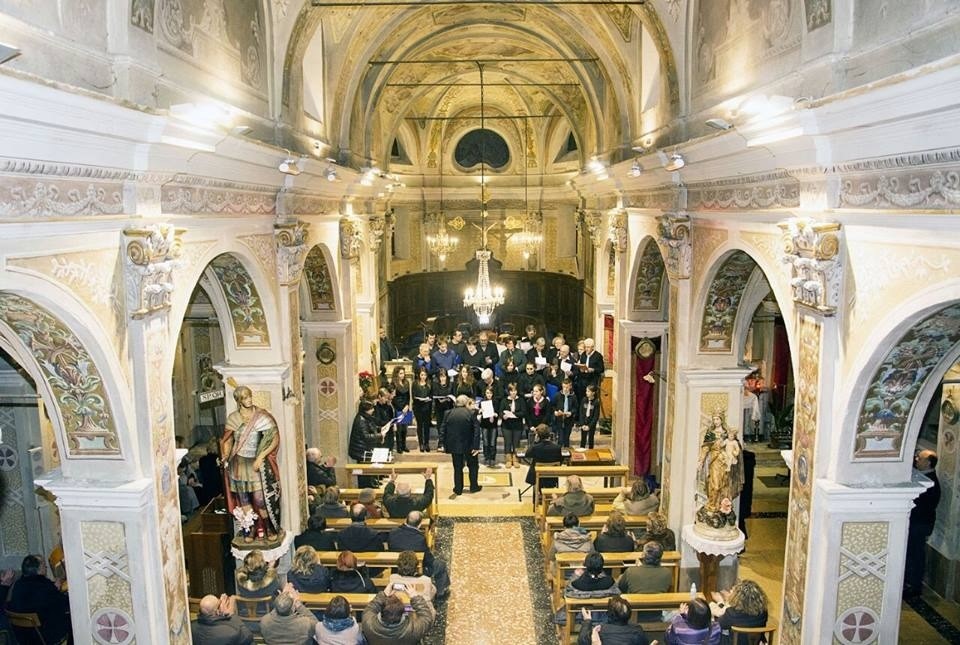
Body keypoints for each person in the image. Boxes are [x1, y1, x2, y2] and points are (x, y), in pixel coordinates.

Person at [221, 385, 282, 541]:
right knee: (244, 499)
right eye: (245, 398)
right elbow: (228, 440)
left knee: (260, 500)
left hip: (255, 464)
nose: (248, 400)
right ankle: (252, 528)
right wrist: (225, 455)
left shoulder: (262, 416)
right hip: (238, 465)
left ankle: (269, 527)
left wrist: (261, 456)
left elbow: (274, 438)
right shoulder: (233, 418)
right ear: (239, 401)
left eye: (249, 396)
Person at [6, 554, 70, 644]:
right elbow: (65, 604)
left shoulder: (18, 584)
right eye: (44, 565)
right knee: (73, 620)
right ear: (39, 569)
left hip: (23, 638)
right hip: (43, 637)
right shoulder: (45, 585)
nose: (45, 567)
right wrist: (57, 590)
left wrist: (53, 589)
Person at [387, 511, 450, 599]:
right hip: (413, 569)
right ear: (420, 524)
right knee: (440, 565)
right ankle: (441, 593)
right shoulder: (419, 539)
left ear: (406, 520)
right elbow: (428, 560)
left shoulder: (393, 532)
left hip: (397, 567)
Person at [904, 449, 941, 598]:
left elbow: (922, 506)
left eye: (919, 458)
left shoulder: (931, 482)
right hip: (916, 523)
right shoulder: (922, 476)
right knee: (911, 553)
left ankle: (915, 586)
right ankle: (909, 581)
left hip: (919, 525)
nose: (916, 460)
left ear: (928, 463)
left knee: (916, 555)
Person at [697, 412, 744, 525]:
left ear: (721, 420)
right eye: (714, 419)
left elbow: (734, 445)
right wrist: (701, 460)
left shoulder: (727, 433)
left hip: (725, 461)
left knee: (724, 484)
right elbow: (705, 447)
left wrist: (733, 452)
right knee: (715, 484)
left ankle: (721, 506)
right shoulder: (711, 433)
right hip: (714, 460)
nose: (715, 421)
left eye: (717, 419)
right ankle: (712, 505)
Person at [361, 583, 435, 645]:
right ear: (403, 612)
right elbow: (427, 617)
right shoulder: (413, 630)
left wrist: (383, 594)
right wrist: (415, 597)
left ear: (381, 610)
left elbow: (371, 607)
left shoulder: (368, 623)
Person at [439, 394, 482, 497]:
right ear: (465, 403)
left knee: (457, 468)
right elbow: (477, 431)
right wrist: (476, 446)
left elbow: (442, 429)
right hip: (469, 445)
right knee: (473, 466)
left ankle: (458, 489)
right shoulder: (471, 413)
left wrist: (441, 443)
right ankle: (474, 486)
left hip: (454, 445)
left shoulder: (448, 413)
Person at [709, 579, 769, 645]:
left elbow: (719, 624)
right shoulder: (763, 613)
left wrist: (722, 603)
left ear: (739, 597)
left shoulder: (732, 613)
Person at [578, 596, 651, 645]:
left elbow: (583, 641)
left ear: (608, 614)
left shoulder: (599, 630)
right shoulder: (637, 630)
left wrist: (587, 621)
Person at [525, 423, 562, 497]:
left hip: (538, 476)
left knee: (533, 466)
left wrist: (535, 442)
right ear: (549, 435)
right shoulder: (557, 447)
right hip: (552, 476)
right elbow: (560, 461)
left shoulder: (536, 448)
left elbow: (527, 454)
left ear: (538, 436)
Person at [498, 382, 527, 468]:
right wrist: (503, 416)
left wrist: (514, 414)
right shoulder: (504, 400)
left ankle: (515, 459)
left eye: (515, 391)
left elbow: (523, 412)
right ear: (509, 392)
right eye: (511, 391)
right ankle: (508, 459)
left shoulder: (521, 400)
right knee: (508, 442)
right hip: (507, 425)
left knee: (516, 442)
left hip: (517, 425)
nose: (513, 393)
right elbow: (500, 411)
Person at [411, 367, 434, 452]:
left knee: (426, 426)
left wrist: (429, 399)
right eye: (422, 375)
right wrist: (419, 399)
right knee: (420, 426)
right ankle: (421, 443)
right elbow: (413, 396)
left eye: (424, 375)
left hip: (427, 407)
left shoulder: (429, 383)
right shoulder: (415, 383)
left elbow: (432, 395)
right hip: (418, 407)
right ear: (419, 375)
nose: (423, 377)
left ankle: (426, 443)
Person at [390, 365, 412, 453]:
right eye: (401, 373)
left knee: (405, 429)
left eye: (403, 373)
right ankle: (399, 446)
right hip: (398, 408)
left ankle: (404, 445)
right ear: (397, 374)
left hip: (406, 408)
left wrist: (407, 406)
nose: (402, 375)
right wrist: (401, 408)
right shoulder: (393, 384)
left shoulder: (407, 382)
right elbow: (393, 399)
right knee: (399, 429)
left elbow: (408, 396)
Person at [552, 377, 579, 448]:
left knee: (566, 438)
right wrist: (555, 411)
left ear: (570, 386)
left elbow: (575, 407)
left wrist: (571, 412)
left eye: (567, 387)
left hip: (569, 420)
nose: (565, 389)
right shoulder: (557, 395)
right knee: (560, 438)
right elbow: (552, 405)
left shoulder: (573, 396)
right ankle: (558, 452)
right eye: (564, 387)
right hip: (559, 419)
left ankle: (566, 452)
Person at [479, 384, 501, 467]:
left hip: (493, 424)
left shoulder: (495, 402)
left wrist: (495, 414)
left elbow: (498, 412)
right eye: (487, 393)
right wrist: (480, 411)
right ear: (485, 393)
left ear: (493, 394)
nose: (489, 395)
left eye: (490, 393)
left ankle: (492, 458)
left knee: (492, 442)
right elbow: (479, 411)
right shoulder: (482, 401)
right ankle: (486, 457)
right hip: (484, 424)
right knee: (485, 441)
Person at [578, 384, 601, 449]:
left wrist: (589, 426)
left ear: (593, 393)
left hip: (591, 424)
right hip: (584, 422)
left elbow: (596, 416)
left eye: (588, 391)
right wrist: (582, 424)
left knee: (591, 439)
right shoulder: (584, 400)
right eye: (586, 391)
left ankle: (591, 452)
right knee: (583, 439)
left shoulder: (596, 402)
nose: (586, 393)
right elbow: (581, 413)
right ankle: (582, 449)